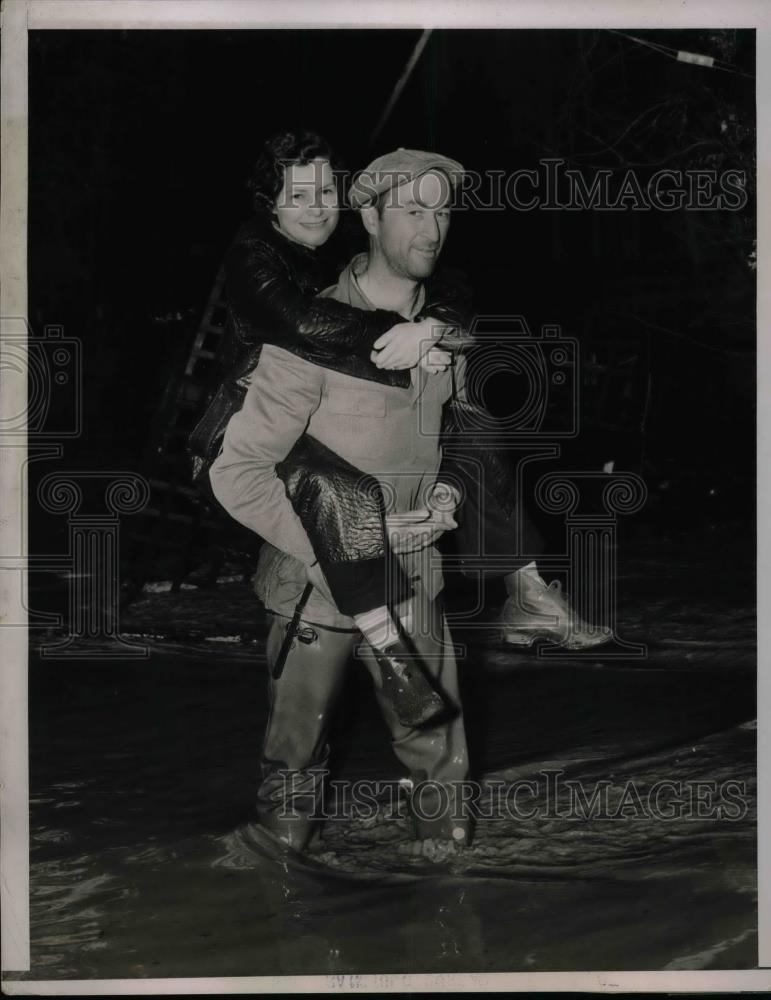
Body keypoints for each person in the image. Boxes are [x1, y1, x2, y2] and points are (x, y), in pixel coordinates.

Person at [193, 130, 608, 659]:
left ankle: (524, 587)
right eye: (297, 196)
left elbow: (442, 278)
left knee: (472, 419)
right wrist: (404, 339)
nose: (317, 208)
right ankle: (381, 629)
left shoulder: (328, 239)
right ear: (267, 204)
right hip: (248, 431)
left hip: (329, 400)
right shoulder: (254, 254)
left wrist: (436, 324)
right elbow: (299, 325)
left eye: (325, 192)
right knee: (339, 506)